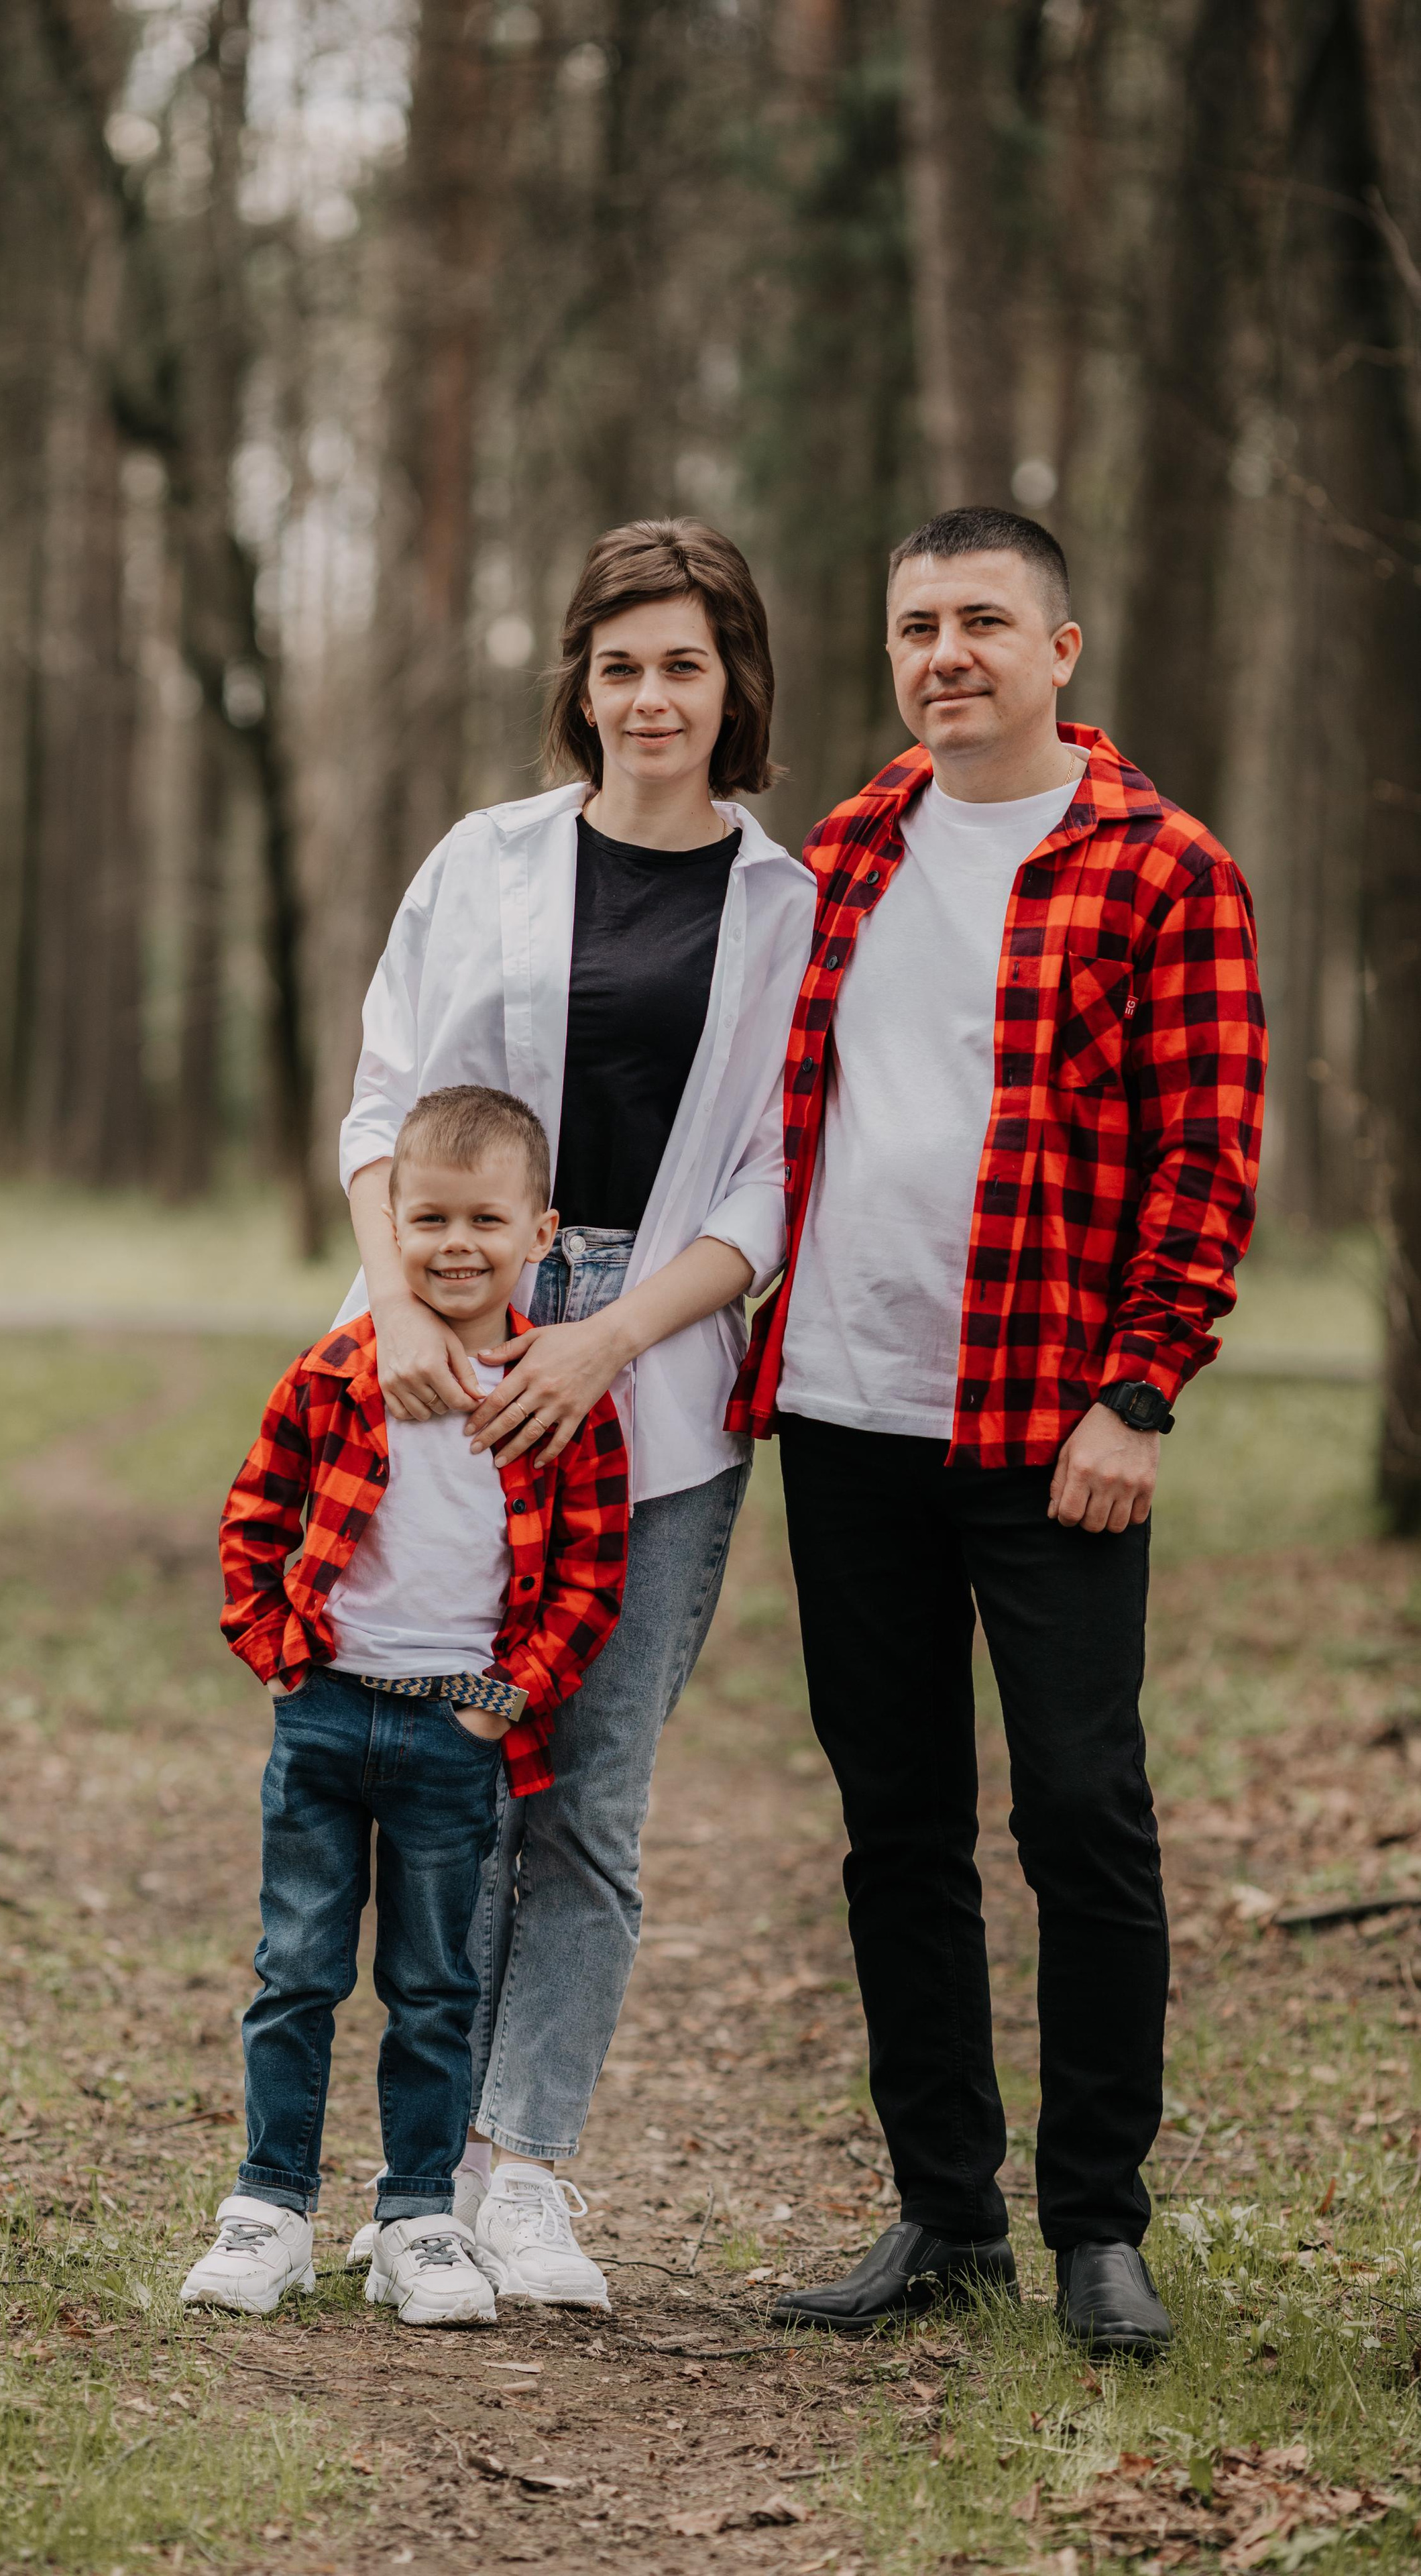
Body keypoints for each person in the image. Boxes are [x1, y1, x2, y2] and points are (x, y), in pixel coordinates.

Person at [730, 505, 1265, 2359]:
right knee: (897, 1829)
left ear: (1064, 648)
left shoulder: (1159, 871)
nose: (944, 653)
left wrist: (1140, 1392)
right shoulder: (848, 853)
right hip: (846, 1415)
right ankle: (944, 2218)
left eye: (980, 621)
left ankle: (1097, 2226)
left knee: (1086, 1815)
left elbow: (1209, 1162)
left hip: (1056, 1426)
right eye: (913, 626)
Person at [337, 519, 815, 2308]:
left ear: (734, 683)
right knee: (446, 1767)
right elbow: (385, 1098)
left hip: (657, 1374)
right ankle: (415, 2185)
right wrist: (401, 1302)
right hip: (449, 1351)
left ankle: (524, 2171)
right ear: (579, 682)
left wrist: (607, 1337)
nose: (650, 696)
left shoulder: (787, 906)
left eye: (684, 662)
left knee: (590, 1794)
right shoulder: (484, 858)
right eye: (619, 662)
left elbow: (777, 1176)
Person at [180, 1085, 628, 2327]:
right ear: (392, 1222)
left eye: (488, 1218)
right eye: (426, 1216)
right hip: (324, 1715)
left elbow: (590, 1580)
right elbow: (253, 1516)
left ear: (541, 1234)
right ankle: (268, 2209)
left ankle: (419, 2218)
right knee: (297, 1971)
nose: (455, 1244)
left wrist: (498, 1703)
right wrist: (277, 1658)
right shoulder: (340, 1374)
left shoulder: (556, 1398)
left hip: (452, 1734)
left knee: (435, 1986)